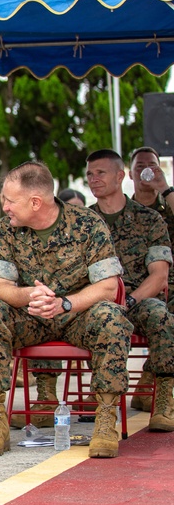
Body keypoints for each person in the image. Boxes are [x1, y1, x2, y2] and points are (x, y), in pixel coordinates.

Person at [0, 161, 131, 459]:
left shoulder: (88, 223)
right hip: (31, 315)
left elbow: (108, 287)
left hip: (76, 315)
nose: (4, 206)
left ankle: (106, 418)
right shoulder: (3, 230)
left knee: (112, 317)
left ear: (35, 202)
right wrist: (31, 294)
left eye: (9, 200)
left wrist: (63, 303)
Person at [85, 150, 174, 431]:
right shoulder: (80, 222)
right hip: (97, 300)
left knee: (161, 316)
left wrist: (132, 299)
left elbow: (159, 275)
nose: (93, 179)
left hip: (138, 297)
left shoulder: (149, 220)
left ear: (121, 176)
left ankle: (163, 399)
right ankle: (53, 398)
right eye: (89, 174)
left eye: (100, 172)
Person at [129, 146, 174, 410]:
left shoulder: (167, 205)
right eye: (140, 166)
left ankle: (150, 381)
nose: (146, 170)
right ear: (130, 173)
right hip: (132, 285)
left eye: (152, 165)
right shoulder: (122, 207)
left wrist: (165, 187)